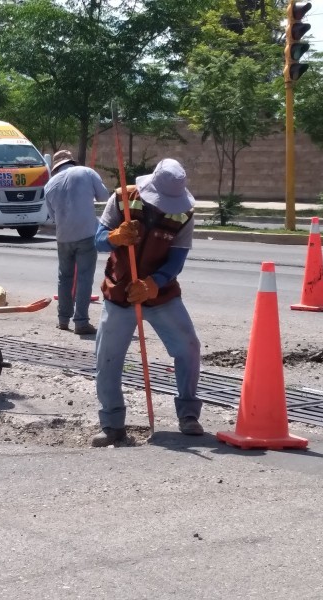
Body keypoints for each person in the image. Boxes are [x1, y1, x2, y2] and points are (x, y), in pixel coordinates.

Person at [92, 158, 202, 447]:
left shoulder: (184, 214)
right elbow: (97, 240)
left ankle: (188, 414)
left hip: (161, 294)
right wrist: (114, 237)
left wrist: (154, 283)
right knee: (107, 359)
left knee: (189, 347)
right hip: (120, 294)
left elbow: (177, 259)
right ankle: (112, 424)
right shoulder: (122, 199)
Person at [44, 149, 111, 335]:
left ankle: (63, 320)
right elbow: (104, 197)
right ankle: (81, 322)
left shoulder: (49, 185)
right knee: (84, 277)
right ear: (71, 162)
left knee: (64, 278)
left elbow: (52, 216)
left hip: (63, 236)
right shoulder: (86, 172)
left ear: (56, 167)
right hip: (87, 234)